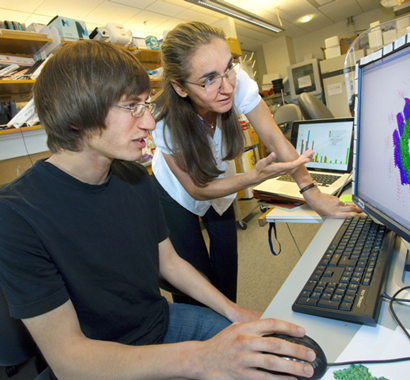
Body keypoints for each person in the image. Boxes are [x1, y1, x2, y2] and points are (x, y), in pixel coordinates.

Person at [0, 40, 318, 380]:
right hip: (100, 360)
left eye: (145, 105)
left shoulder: (134, 178)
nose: (150, 123)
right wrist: (202, 358)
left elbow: (169, 262)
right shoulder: (17, 214)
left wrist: (235, 312)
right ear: (78, 115)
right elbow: (70, 361)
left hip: (161, 324)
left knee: (279, 355)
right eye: (132, 107)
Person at [152, 21, 363, 304]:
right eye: (209, 80)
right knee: (195, 280)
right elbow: (197, 190)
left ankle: (230, 327)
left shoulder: (234, 83)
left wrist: (311, 192)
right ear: (179, 87)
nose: (226, 86)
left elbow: (275, 138)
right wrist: (253, 177)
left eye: (229, 68)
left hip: (220, 181)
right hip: (177, 193)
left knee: (227, 264)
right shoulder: (162, 120)